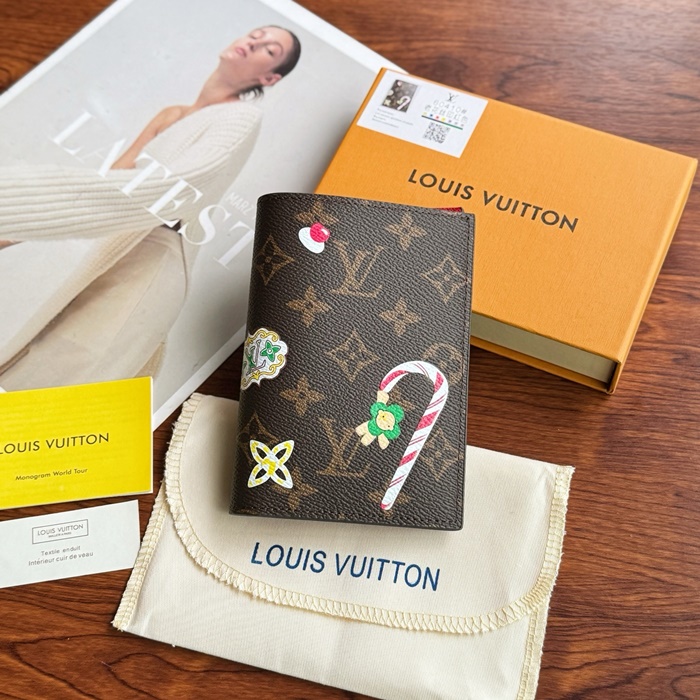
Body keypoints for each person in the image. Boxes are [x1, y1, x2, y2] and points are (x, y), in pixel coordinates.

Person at [0, 27, 302, 394]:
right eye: (256, 34)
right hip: (116, 244)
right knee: (36, 358)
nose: (254, 42)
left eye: (269, 49)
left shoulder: (241, 117)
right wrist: (14, 234)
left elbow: (173, 189)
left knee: (70, 372)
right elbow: (113, 181)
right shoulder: (171, 114)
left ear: (268, 78)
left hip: (156, 256)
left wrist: (12, 206)